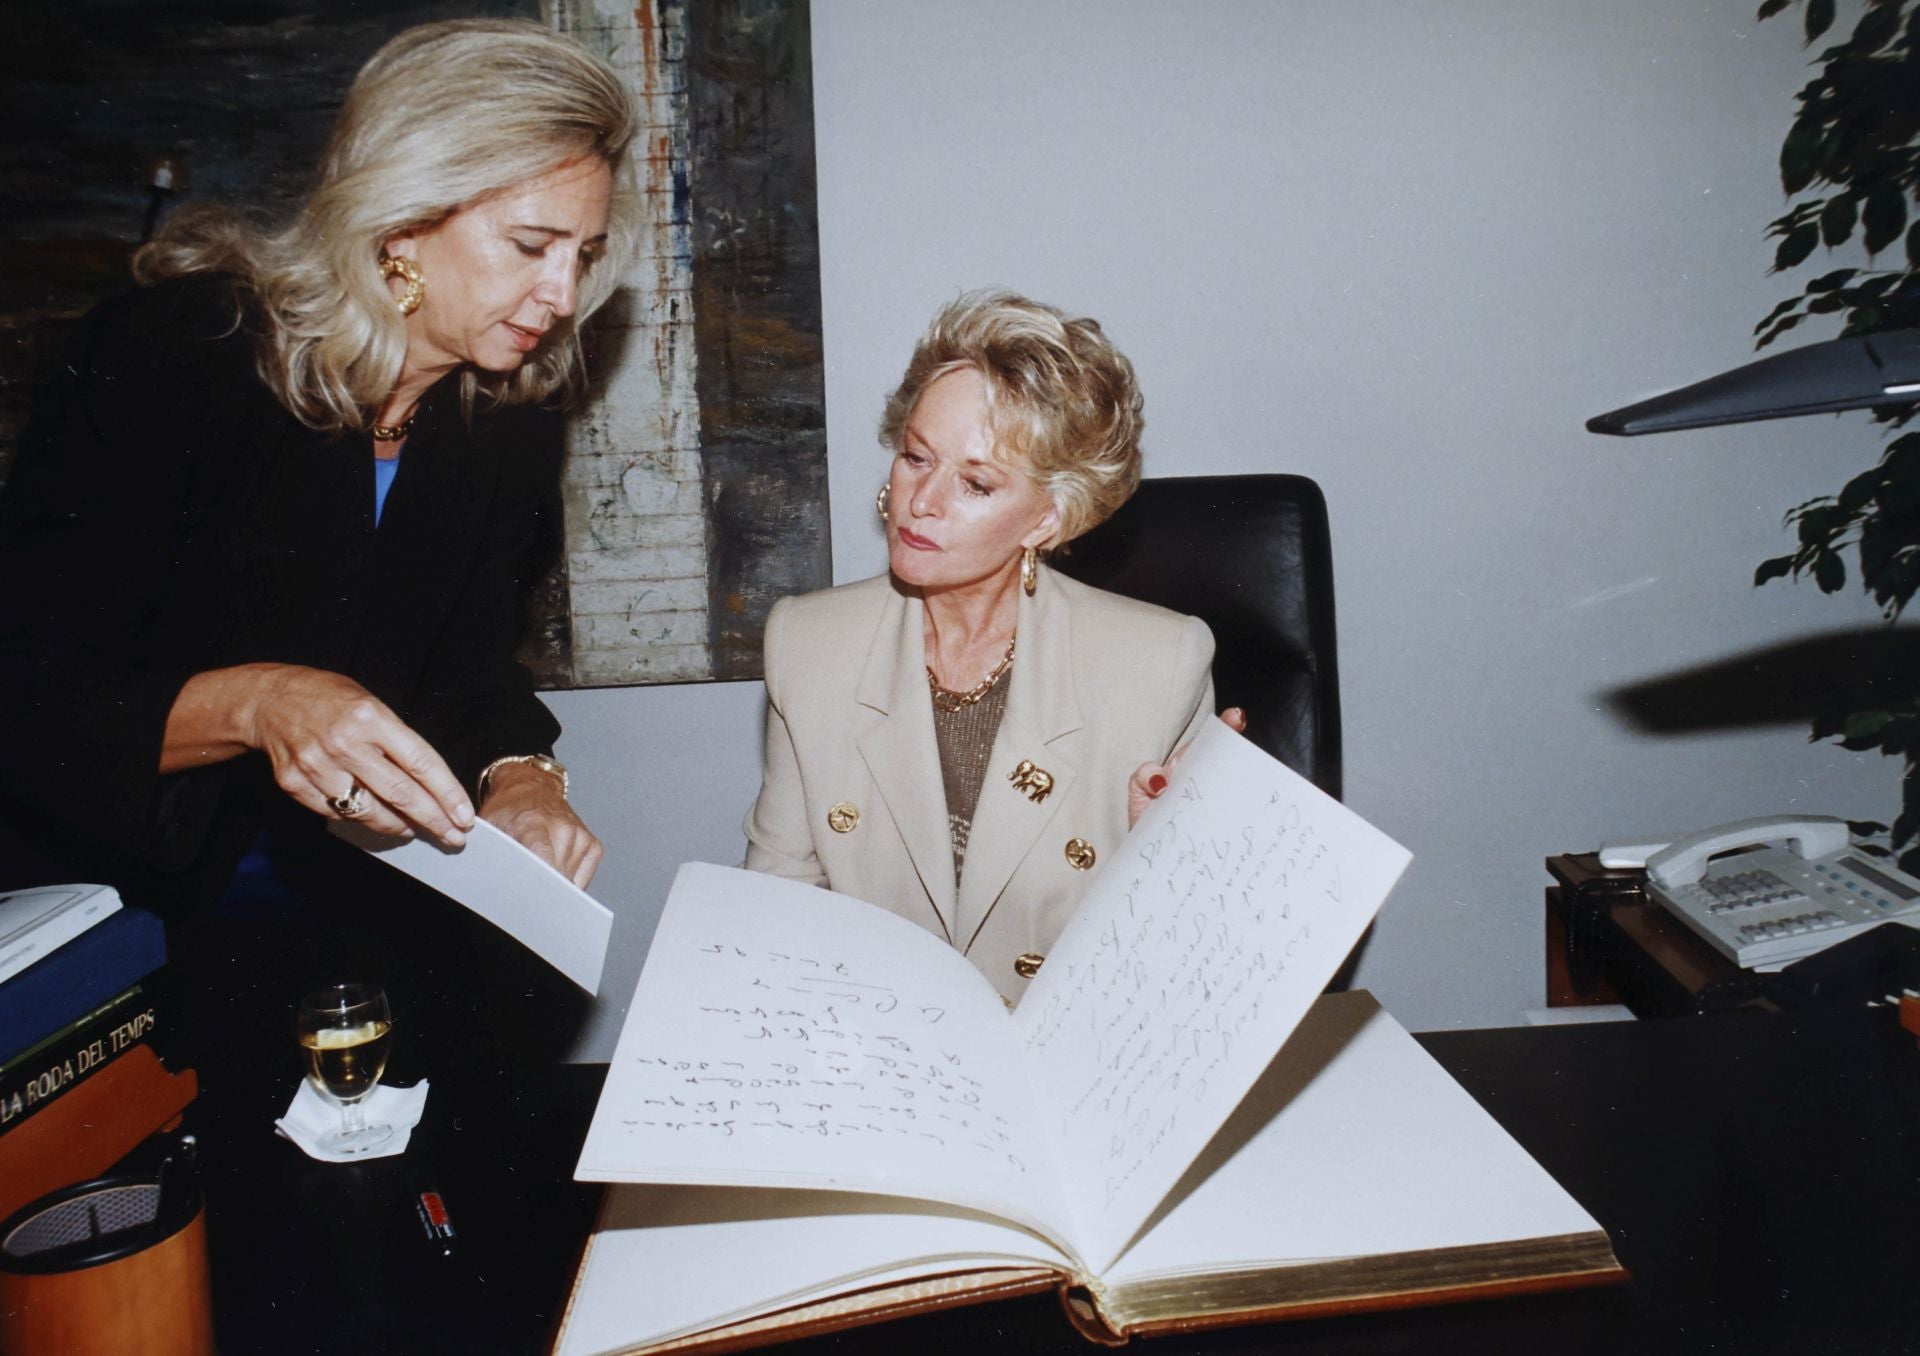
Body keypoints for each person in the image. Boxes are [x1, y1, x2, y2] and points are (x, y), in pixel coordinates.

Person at [0, 19, 636, 1068]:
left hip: (345, 933)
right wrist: (259, 702)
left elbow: (466, 671)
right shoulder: (176, 357)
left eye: (585, 255)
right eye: (532, 246)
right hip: (110, 932)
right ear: (402, 217)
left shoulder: (502, 421)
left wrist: (524, 774)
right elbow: (28, 693)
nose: (563, 298)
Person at [745, 292, 1243, 1003]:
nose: (922, 501)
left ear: (1047, 517)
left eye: (975, 483)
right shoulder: (808, 643)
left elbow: (1190, 968)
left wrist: (1172, 862)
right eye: (916, 457)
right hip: (879, 1054)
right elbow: (779, 915)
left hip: (1070, 1048)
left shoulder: (1159, 665)